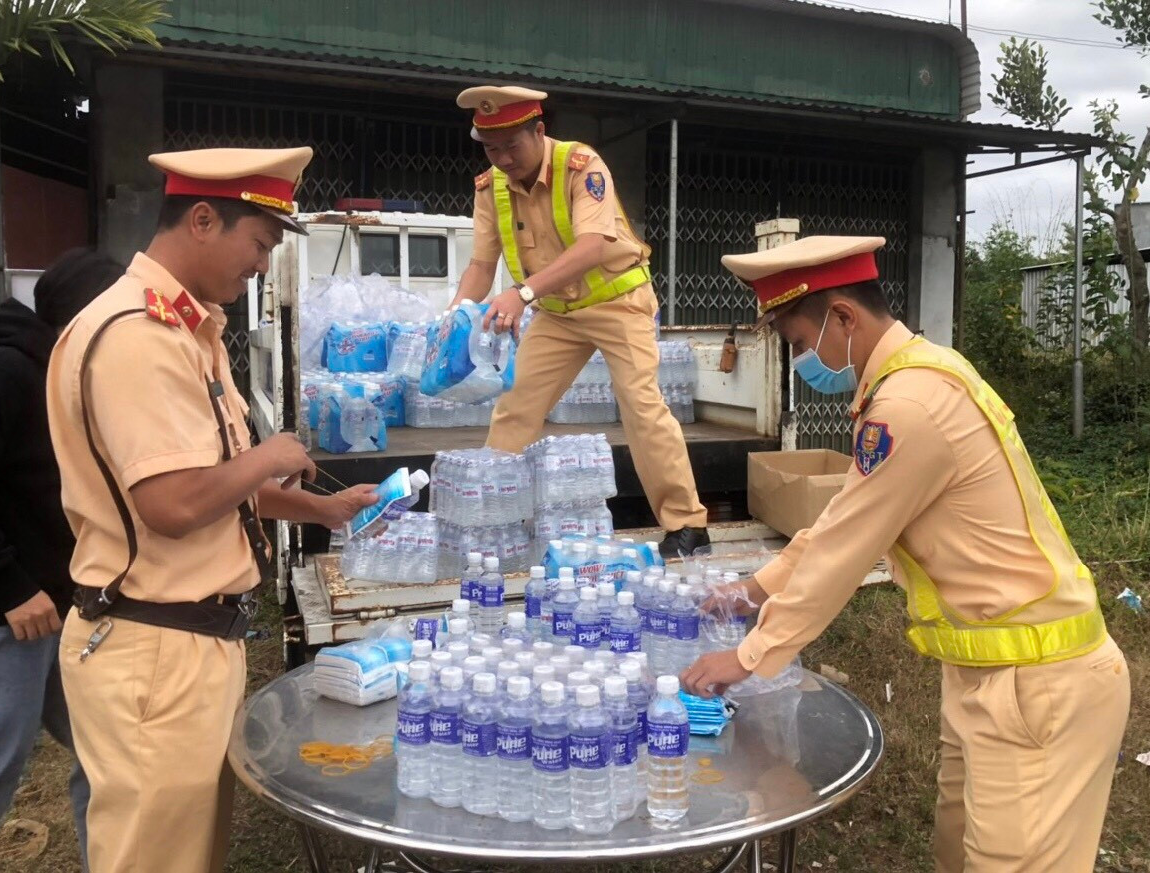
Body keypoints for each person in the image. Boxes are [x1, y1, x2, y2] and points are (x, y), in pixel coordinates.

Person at [681, 235, 1130, 872]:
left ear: (842, 317)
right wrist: (755, 589)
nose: (802, 359)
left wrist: (750, 654)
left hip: (1040, 686)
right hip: (991, 673)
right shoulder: (911, 379)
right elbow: (843, 519)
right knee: (961, 853)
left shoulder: (909, 406)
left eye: (799, 342)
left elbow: (843, 551)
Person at [47, 147, 378, 873]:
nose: (260, 266)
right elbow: (170, 504)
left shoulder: (188, 330)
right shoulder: (138, 337)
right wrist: (271, 454)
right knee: (155, 858)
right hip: (153, 648)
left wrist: (317, 510)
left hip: (188, 641)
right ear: (202, 219)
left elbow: (215, 482)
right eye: (257, 244)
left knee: (188, 851)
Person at [450, 84, 709, 559]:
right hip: (557, 314)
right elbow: (482, 266)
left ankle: (687, 526)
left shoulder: (581, 165)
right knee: (516, 405)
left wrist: (523, 293)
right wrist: (454, 316)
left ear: (539, 131)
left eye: (512, 145)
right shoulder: (491, 189)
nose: (503, 158)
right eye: (491, 148)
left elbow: (592, 245)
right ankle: (496, 518)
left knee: (642, 408)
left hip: (618, 302)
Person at [0, 248, 123, 866]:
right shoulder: (4, 372)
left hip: (61, 613)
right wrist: (9, 587)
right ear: (84, 318)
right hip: (4, 617)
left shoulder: (65, 373)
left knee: (107, 758)